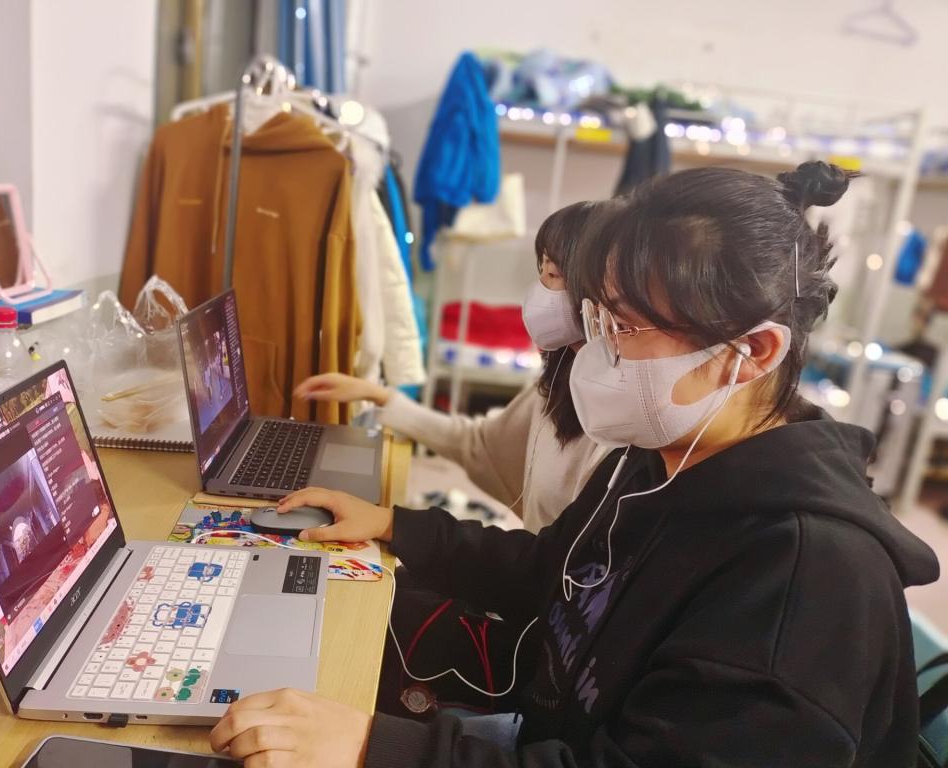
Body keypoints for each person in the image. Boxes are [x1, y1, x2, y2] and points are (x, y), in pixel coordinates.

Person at [210, 162, 940, 767]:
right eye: (597, 318)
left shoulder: (805, 582)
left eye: (625, 327)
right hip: (546, 722)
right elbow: (552, 570)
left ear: (751, 352)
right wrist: (396, 526)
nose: (596, 353)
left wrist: (381, 749)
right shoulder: (659, 460)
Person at [294, 201, 615, 532]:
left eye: (553, 274)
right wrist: (381, 397)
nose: (539, 288)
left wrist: (394, 526)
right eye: (541, 270)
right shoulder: (561, 380)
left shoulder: (618, 424)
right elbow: (481, 445)